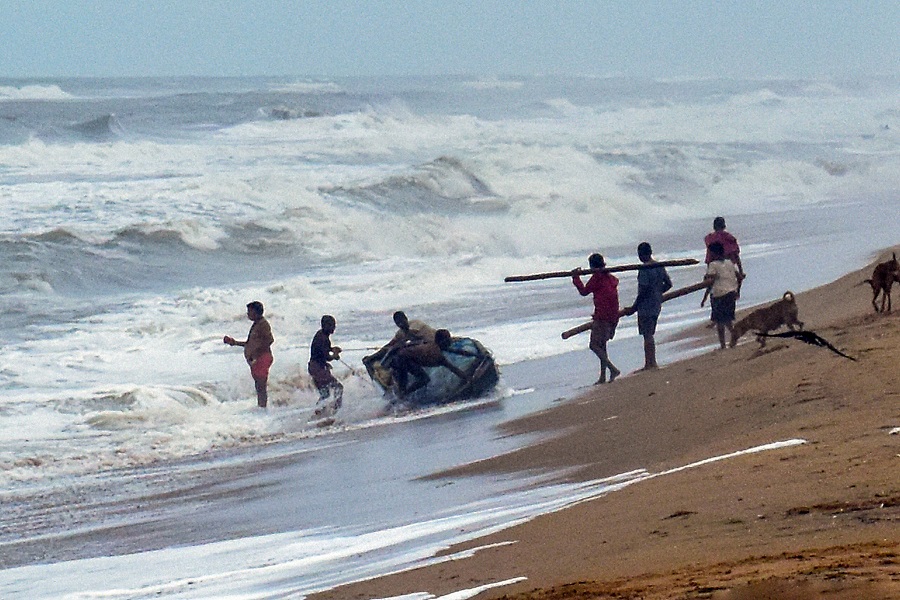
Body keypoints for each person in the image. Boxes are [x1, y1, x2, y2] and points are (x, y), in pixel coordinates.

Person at [572, 253, 621, 384]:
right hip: (613, 314)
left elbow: (584, 291)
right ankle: (603, 376)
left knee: (594, 345)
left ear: (593, 266)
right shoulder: (609, 277)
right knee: (602, 345)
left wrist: (575, 278)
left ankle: (612, 369)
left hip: (602, 315)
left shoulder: (597, 278)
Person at [624, 242, 672, 371]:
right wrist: (657, 292)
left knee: (647, 334)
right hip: (656, 303)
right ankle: (651, 362)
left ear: (641, 254)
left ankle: (650, 363)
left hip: (646, 305)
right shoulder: (659, 266)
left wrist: (634, 307)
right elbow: (668, 284)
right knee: (649, 332)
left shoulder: (644, 269)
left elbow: (643, 290)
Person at [391, 329, 471, 398]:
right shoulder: (436, 354)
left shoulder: (433, 344)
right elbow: (454, 369)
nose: (450, 341)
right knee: (424, 379)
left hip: (399, 357)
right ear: (442, 341)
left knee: (404, 387)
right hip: (402, 360)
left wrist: (472, 354)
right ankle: (402, 398)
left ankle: (401, 398)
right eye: (448, 339)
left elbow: (454, 351)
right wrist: (468, 379)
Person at [224, 301, 274, 408]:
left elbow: (269, 340)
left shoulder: (263, 324)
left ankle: (263, 408)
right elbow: (249, 344)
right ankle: (261, 407)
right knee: (259, 386)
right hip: (257, 359)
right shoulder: (256, 325)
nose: (247, 314)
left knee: (261, 386)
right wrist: (234, 342)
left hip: (262, 358)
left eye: (249, 311)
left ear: (256, 312)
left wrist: (256, 355)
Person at [702, 241, 742, 349]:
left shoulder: (713, 265)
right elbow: (739, 276)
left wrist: (705, 296)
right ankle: (734, 339)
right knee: (728, 320)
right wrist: (738, 290)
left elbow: (710, 282)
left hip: (719, 294)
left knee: (720, 321)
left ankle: (723, 345)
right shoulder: (729, 263)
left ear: (714, 253)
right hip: (731, 293)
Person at [363, 311, 437, 367]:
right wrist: (372, 357)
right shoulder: (401, 332)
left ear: (406, 319)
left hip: (437, 343)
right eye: (398, 323)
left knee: (399, 350)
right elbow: (389, 345)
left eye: (401, 321)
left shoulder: (415, 324)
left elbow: (406, 339)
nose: (400, 324)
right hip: (424, 349)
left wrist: (394, 347)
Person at [702, 216, 744, 305]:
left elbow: (709, 257)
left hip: (714, 267)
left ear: (714, 226)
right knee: (731, 288)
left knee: (715, 290)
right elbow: (735, 256)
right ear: (724, 225)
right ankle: (737, 293)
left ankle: (706, 299)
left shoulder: (709, 238)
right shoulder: (728, 237)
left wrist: (707, 274)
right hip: (728, 267)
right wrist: (741, 270)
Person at [308, 315, 343, 416]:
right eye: (332, 325)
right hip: (317, 368)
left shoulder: (321, 335)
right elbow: (327, 356)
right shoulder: (323, 338)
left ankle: (318, 414)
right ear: (325, 325)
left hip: (314, 367)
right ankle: (336, 412)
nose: (334, 328)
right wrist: (334, 354)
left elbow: (325, 351)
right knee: (338, 388)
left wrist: (333, 350)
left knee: (325, 394)